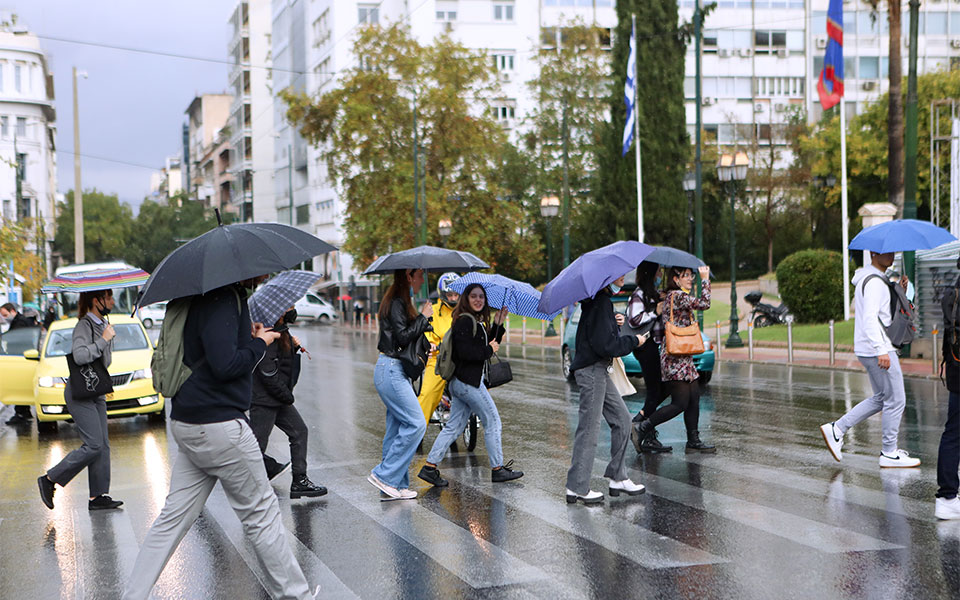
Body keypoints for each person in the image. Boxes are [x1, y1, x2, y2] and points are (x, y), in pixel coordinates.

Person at [122, 278, 315, 600]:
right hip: (220, 425)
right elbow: (225, 365)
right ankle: (298, 595)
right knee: (262, 515)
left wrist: (247, 336)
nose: (263, 277)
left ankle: (132, 595)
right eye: (260, 272)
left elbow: (211, 350)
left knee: (172, 519)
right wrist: (260, 343)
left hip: (188, 422)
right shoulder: (224, 299)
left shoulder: (198, 297)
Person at [819, 251, 920, 468]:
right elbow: (869, 319)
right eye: (885, 253)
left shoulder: (876, 279)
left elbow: (883, 312)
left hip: (872, 347)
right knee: (897, 399)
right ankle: (889, 452)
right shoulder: (874, 282)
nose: (890, 256)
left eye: (892, 252)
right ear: (873, 253)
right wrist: (881, 350)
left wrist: (901, 291)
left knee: (884, 397)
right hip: (878, 348)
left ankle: (837, 429)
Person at [418, 283, 523, 487]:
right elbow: (466, 353)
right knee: (493, 421)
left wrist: (498, 324)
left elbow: (488, 342)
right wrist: (488, 350)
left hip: (460, 383)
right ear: (466, 299)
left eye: (481, 297)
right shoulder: (464, 321)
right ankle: (498, 469)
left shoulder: (474, 321)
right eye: (473, 296)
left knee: (454, 426)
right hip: (468, 383)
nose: (478, 300)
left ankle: (429, 467)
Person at [565, 273, 647, 505]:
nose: (622, 277)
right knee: (589, 430)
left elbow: (599, 336)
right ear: (606, 278)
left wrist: (614, 321)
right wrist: (634, 341)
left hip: (598, 370)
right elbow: (606, 346)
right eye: (618, 275)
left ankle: (618, 477)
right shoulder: (600, 303)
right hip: (592, 371)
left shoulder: (599, 303)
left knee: (622, 419)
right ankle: (577, 486)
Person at [37, 289, 123, 510]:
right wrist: (104, 340)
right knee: (94, 444)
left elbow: (105, 363)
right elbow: (80, 356)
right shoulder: (84, 326)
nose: (112, 301)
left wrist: (106, 336)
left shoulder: (102, 324)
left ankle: (98, 497)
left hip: (96, 390)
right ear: (97, 301)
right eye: (109, 297)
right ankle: (49, 479)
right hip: (80, 391)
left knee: (102, 445)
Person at [633, 266, 716, 454]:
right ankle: (643, 427)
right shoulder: (678, 295)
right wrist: (705, 279)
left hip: (683, 355)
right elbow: (704, 303)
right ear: (676, 279)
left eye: (691, 275)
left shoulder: (672, 295)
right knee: (680, 403)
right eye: (685, 275)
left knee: (694, 396)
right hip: (675, 357)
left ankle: (693, 440)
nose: (689, 279)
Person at [250, 307, 327, 499]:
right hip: (263, 399)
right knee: (255, 447)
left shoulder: (281, 329)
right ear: (278, 309)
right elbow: (267, 371)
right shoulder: (267, 332)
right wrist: (287, 396)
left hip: (276, 397)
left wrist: (292, 347)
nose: (293, 309)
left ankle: (299, 481)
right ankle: (253, 487)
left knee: (299, 431)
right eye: (289, 307)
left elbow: (281, 362)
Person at [369, 268, 432, 500]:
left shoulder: (400, 302)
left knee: (396, 430)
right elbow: (403, 337)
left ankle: (394, 484)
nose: (422, 280)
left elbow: (406, 335)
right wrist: (423, 317)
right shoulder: (397, 302)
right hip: (391, 370)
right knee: (416, 423)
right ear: (408, 275)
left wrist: (423, 323)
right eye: (419, 275)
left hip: (393, 370)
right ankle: (384, 475)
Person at [625, 261, 671, 453]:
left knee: (662, 388)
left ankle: (645, 426)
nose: (660, 274)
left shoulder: (651, 294)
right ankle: (639, 424)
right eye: (658, 271)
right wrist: (655, 312)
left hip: (654, 346)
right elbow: (634, 318)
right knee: (655, 390)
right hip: (646, 347)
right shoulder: (639, 294)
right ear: (650, 273)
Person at [417, 272, 460, 426]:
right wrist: (431, 344)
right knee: (428, 394)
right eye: (450, 294)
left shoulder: (465, 311)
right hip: (439, 359)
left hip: (461, 358)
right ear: (443, 294)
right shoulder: (433, 310)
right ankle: (417, 428)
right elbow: (426, 332)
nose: (454, 298)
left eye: (456, 294)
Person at [936, 257, 960, 519]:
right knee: (954, 433)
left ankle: (948, 494)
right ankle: (947, 496)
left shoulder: (951, 294)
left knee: (953, 431)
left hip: (956, 370)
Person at [3, 302, 39, 424]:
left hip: (19, 357)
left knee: (17, 383)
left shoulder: (20, 322)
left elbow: (15, 339)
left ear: (12, 311)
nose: (4, 317)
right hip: (20, 357)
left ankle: (21, 412)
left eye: (5, 314)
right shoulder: (20, 320)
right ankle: (24, 411)